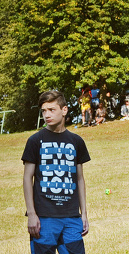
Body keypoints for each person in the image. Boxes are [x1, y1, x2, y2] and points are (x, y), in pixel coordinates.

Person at [22, 90, 91, 254]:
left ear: (64, 110)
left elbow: (79, 179)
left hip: (71, 217)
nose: (47, 115)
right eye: (44, 111)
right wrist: (32, 214)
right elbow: (27, 178)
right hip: (44, 219)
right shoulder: (34, 141)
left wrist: (84, 214)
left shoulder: (76, 141)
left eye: (52, 110)